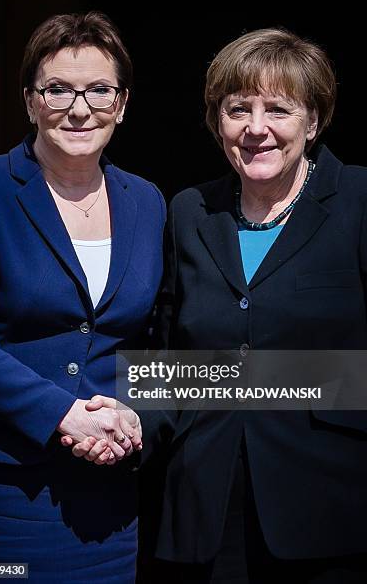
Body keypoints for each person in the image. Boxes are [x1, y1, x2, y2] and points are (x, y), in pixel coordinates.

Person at [144, 28, 367, 582]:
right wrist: (128, 424)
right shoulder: (189, 211)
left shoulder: (360, 201)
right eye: (237, 108)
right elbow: (169, 360)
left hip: (330, 516)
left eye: (279, 109)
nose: (256, 128)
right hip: (204, 515)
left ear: (313, 122)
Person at [0, 11, 166, 583]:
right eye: (58, 90)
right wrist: (62, 415)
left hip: (107, 501)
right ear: (30, 101)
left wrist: (132, 412)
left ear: (121, 104)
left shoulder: (148, 202)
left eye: (99, 90)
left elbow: (152, 338)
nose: (80, 109)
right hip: (0, 495)